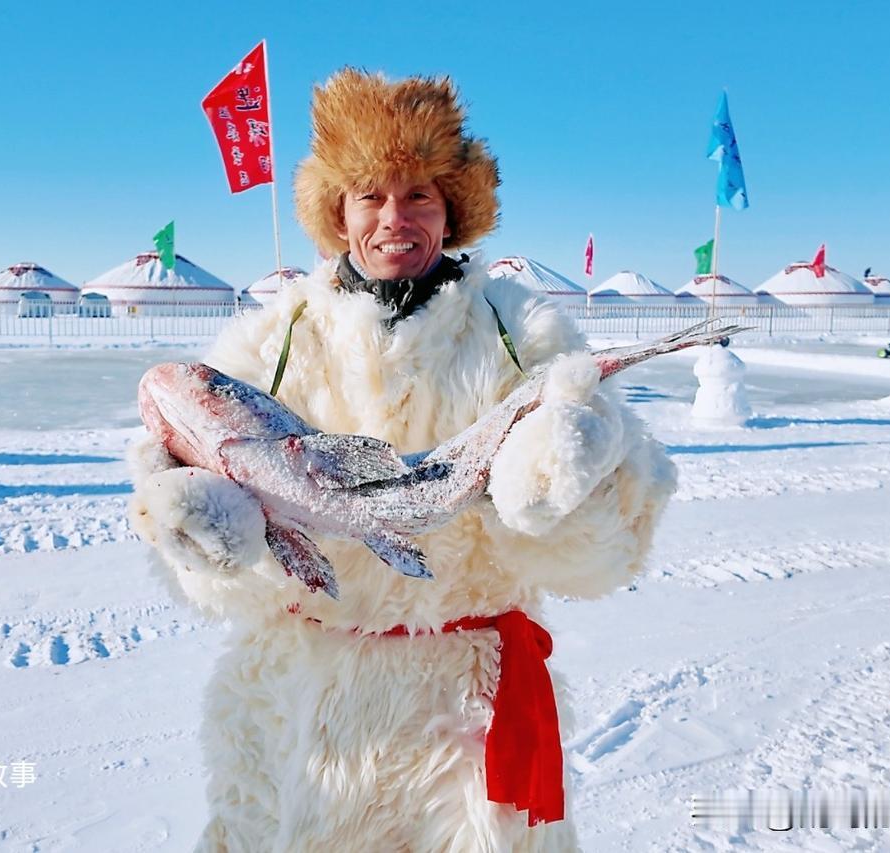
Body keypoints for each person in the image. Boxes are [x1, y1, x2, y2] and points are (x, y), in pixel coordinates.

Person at [128, 68, 676, 852]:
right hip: (299, 713)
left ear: (453, 208)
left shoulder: (522, 331)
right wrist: (202, 532)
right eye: (370, 195)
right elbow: (223, 560)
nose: (395, 217)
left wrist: (566, 484)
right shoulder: (270, 340)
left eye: (419, 194)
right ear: (337, 211)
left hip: (467, 715)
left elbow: (615, 537)